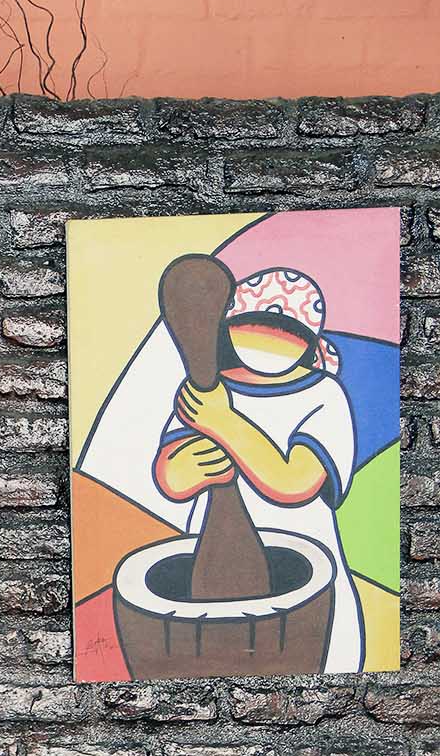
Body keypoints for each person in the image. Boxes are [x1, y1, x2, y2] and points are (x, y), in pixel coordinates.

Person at [151, 267, 361, 671]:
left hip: (306, 552)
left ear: (310, 342)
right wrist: (189, 469)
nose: (269, 342)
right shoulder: (208, 389)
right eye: (251, 327)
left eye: (288, 333)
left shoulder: (324, 395)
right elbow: (170, 476)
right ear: (227, 328)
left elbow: (294, 482)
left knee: (315, 651)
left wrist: (223, 423)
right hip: (211, 558)